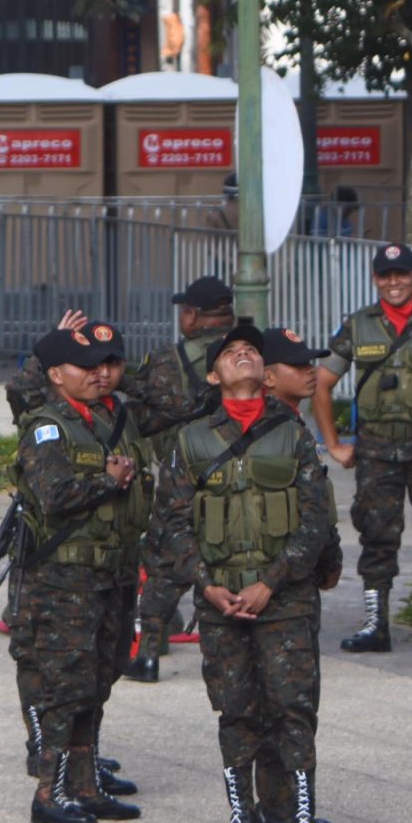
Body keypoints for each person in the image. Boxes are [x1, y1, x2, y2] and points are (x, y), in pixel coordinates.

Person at [156, 321, 341, 823]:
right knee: (235, 710)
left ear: (265, 373)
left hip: (284, 599)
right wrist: (207, 586)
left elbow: (316, 522)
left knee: (293, 707)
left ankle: (301, 819)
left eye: (251, 352)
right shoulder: (190, 440)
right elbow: (169, 523)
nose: (243, 355)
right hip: (221, 601)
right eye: (230, 352)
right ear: (214, 375)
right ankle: (244, 820)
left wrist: (272, 582)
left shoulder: (293, 434)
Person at [6, 321, 146, 823]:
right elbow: (54, 494)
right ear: (57, 375)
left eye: (103, 367)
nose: (98, 375)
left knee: (98, 680)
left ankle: (85, 786)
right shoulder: (48, 424)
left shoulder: (116, 417)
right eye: (85, 369)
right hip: (65, 580)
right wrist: (105, 481)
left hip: (113, 573)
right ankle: (49, 791)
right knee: (64, 687)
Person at [121, 275, 238, 681]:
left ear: (191, 314)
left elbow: (145, 418)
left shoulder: (169, 359)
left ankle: (150, 653)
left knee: (165, 558)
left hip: (184, 468)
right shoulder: (250, 352)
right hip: (241, 471)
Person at [260, 327, 351, 823]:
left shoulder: (290, 424)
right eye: (299, 365)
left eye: (312, 362)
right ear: (270, 377)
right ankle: (284, 812)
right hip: (276, 584)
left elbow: (316, 504)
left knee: (292, 701)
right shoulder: (269, 430)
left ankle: (286, 810)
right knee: (283, 703)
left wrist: (332, 554)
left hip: (297, 581)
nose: (312, 371)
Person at [311, 241, 412, 653]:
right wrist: (332, 444)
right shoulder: (359, 324)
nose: (394, 283)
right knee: (376, 537)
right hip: (376, 450)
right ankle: (377, 624)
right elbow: (322, 381)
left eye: (402, 274)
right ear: (375, 279)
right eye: (386, 275)